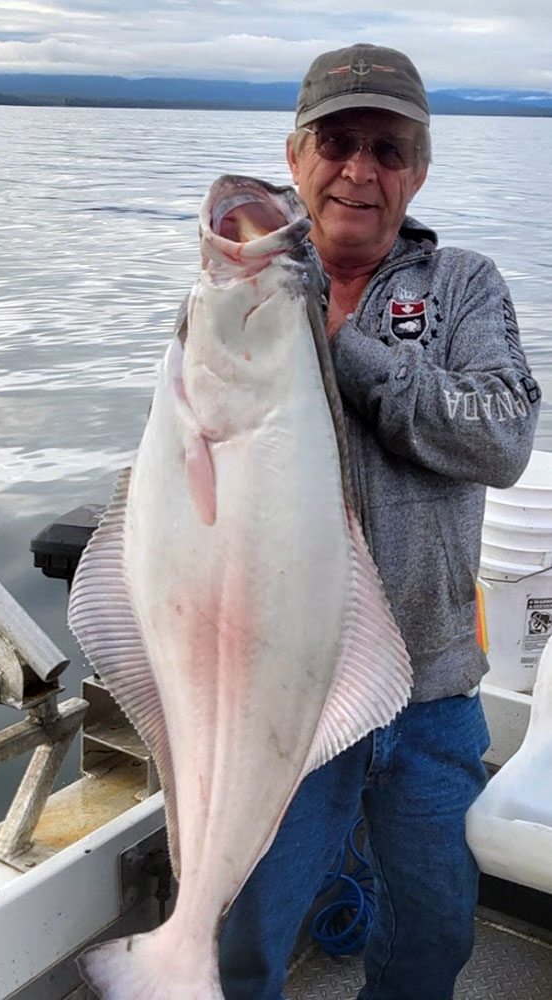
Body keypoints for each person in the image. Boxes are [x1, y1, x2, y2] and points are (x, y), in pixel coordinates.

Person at [218, 43, 541, 1000]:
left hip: (431, 689)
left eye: (387, 148)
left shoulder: (462, 285)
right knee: (247, 934)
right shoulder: (235, 298)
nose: (359, 170)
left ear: (419, 169)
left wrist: (340, 347)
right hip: (282, 696)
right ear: (295, 155)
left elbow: (502, 438)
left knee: (432, 931)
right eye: (336, 142)